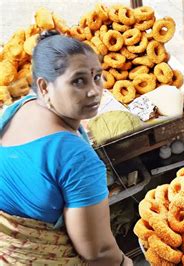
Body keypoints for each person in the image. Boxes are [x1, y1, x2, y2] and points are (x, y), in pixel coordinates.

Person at [0, 31, 132, 265]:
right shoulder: (76, 159)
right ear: (44, 86)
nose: (94, 91)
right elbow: (98, 252)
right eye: (78, 80)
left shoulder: (17, 108)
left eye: (97, 77)